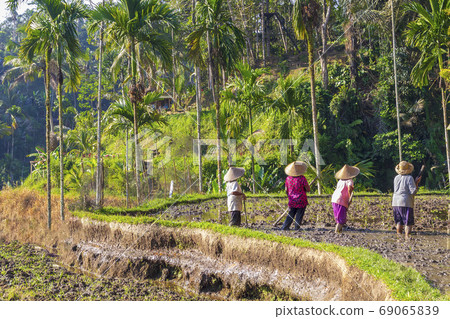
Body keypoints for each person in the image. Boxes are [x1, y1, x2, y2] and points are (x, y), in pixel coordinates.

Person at [392, 161, 420, 240]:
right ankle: (407, 237)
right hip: (405, 202)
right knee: (408, 221)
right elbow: (413, 191)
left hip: (395, 202)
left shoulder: (396, 178)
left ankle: (399, 236)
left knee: (399, 221)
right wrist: (416, 183)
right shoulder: (409, 178)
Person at [281, 161, 310, 230]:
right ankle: (296, 227)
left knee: (291, 213)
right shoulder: (302, 178)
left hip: (292, 200)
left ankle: (285, 226)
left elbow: (286, 190)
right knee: (299, 214)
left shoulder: (288, 179)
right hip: (301, 199)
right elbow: (308, 189)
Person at [331, 164, 360, 233]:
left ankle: (339, 232)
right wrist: (350, 198)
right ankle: (337, 232)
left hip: (334, 199)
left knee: (339, 217)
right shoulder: (349, 181)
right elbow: (349, 189)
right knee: (341, 219)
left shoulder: (340, 181)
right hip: (341, 200)